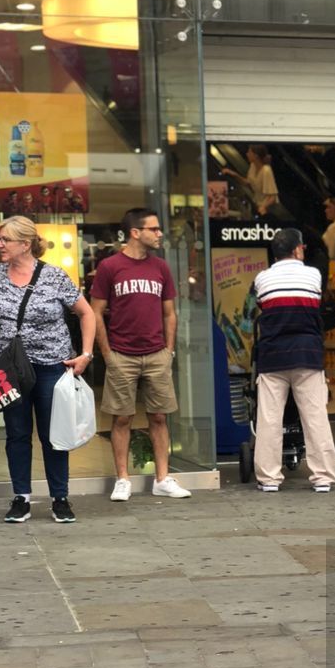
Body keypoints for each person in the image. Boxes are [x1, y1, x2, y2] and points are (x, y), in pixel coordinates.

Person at [0, 216, 95, 524]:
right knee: (17, 434)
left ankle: (59, 497)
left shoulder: (54, 276)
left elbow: (86, 313)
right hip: (10, 371)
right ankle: (21, 497)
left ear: (25, 244)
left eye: (4, 240)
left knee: (55, 435)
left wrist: (86, 355)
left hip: (52, 366)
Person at [91, 209, 191, 502]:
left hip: (156, 354)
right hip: (121, 354)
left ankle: (163, 478)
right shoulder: (110, 267)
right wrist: (107, 353)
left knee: (159, 417)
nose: (160, 234)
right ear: (136, 232)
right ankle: (123, 479)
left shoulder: (160, 267)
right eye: (154, 229)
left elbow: (170, 313)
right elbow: (95, 312)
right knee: (122, 418)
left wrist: (168, 350)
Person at [251, 227, 335, 494]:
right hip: (307, 354)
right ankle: (322, 477)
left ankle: (269, 479)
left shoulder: (261, 279)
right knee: (315, 417)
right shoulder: (313, 275)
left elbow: (262, 306)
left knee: (269, 419)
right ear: (298, 249)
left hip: (272, 355)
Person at [221, 144, 283, 218]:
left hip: (270, 210)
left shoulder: (266, 170)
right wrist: (233, 174)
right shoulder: (252, 166)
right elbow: (247, 183)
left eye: (249, 152)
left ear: (256, 156)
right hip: (259, 205)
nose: (247, 154)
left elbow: (273, 196)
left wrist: (263, 206)